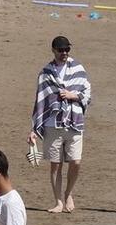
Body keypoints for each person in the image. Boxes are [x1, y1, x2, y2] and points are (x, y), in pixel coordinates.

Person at [29, 35, 90, 214]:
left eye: (67, 50)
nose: (64, 53)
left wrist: (73, 96)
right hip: (52, 123)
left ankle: (68, 193)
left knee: (76, 162)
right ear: (54, 50)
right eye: (61, 50)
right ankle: (58, 201)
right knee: (56, 164)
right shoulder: (46, 72)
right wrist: (34, 129)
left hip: (74, 121)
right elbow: (40, 100)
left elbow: (87, 92)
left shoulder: (78, 68)